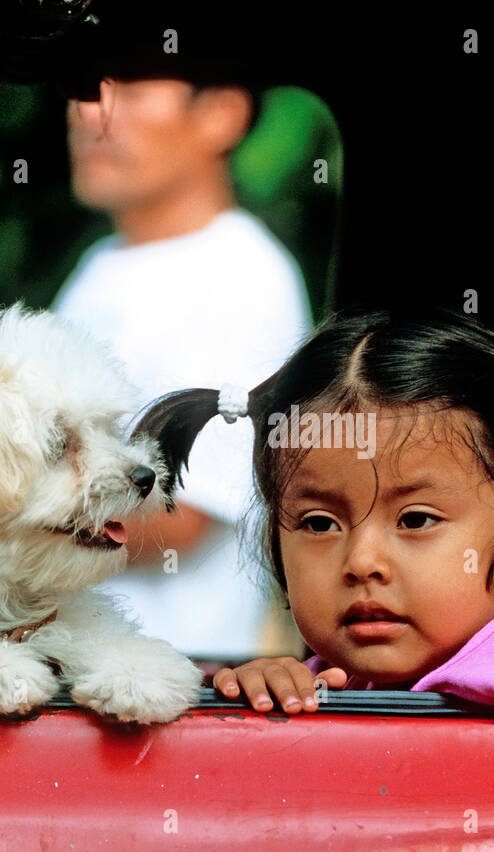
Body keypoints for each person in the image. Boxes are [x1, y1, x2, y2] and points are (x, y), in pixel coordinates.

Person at [132, 289, 494, 852]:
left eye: (416, 520)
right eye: (319, 522)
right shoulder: (334, 678)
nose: (361, 561)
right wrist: (271, 691)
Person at [53, 77, 312, 659]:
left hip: (170, 692)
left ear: (222, 112)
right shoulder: (98, 267)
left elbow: (180, 513)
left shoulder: (244, 275)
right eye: (86, 88)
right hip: (64, 674)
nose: (91, 112)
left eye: (133, 91)